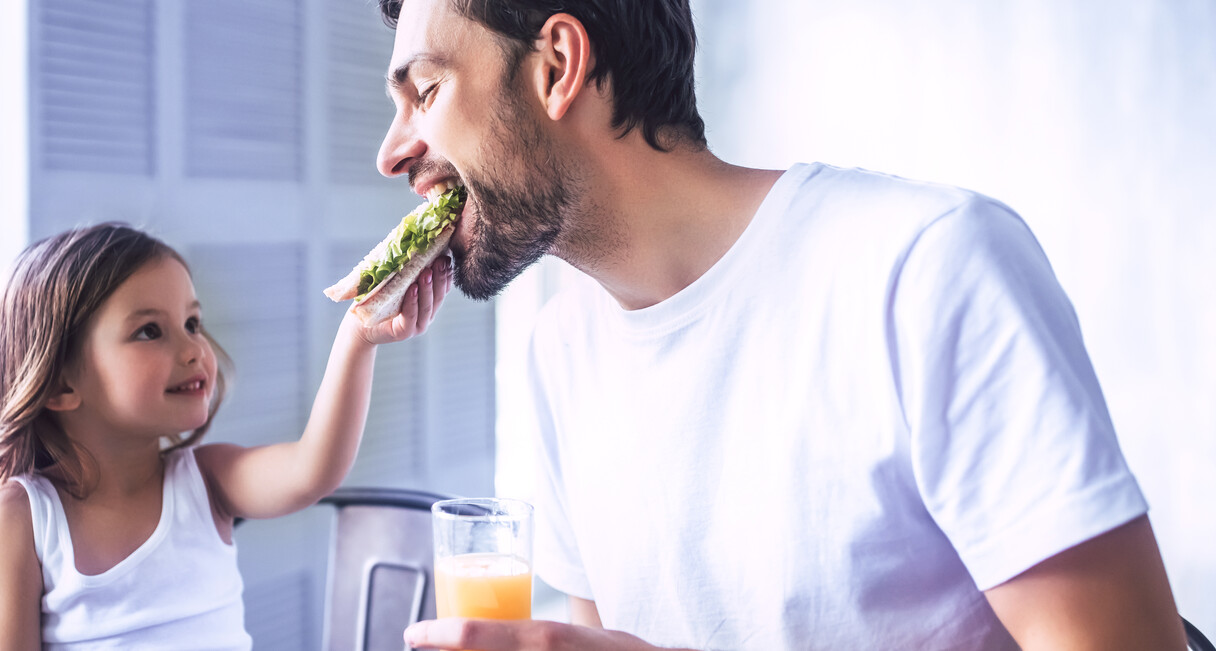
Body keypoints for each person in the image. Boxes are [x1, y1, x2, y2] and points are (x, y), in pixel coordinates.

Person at [372, 1, 1189, 650]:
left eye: (427, 91)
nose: (391, 151)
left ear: (557, 66)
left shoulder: (926, 268)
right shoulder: (559, 353)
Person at [0, 223, 451, 649]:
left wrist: (359, 336)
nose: (195, 349)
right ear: (60, 383)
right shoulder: (22, 518)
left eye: (192, 323)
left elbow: (314, 468)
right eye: (150, 330)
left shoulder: (207, 480)